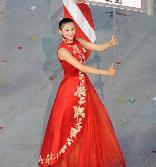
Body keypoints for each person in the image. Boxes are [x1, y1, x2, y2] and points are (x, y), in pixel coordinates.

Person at [39, 18, 125, 166]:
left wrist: (110, 44)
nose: (71, 32)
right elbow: (82, 68)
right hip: (71, 90)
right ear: (60, 32)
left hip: (83, 86)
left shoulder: (78, 40)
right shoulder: (63, 51)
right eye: (67, 30)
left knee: (88, 123)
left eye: (72, 29)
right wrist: (106, 72)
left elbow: (97, 47)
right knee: (71, 125)